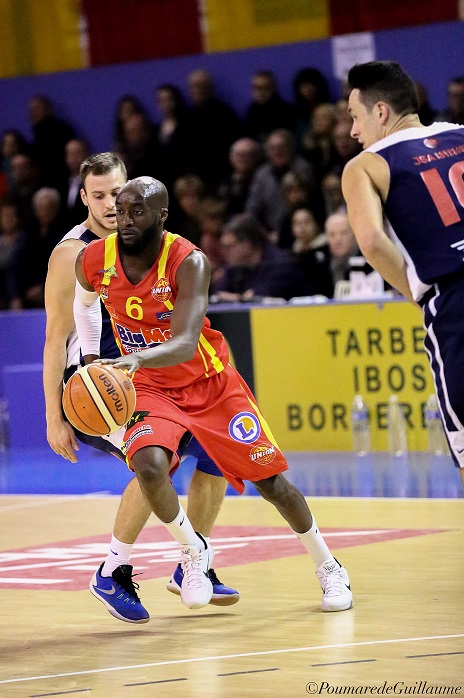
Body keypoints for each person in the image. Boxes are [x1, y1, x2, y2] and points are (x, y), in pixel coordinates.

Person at [74, 175, 354, 613]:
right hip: (149, 386)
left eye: (137, 212)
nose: (125, 219)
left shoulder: (189, 261)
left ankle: (328, 565)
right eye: (120, 210)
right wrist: (91, 355)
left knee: (272, 483)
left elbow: (185, 342)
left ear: (161, 216)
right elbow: (84, 300)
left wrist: (136, 359)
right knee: (149, 466)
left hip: (209, 382)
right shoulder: (93, 258)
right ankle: (192, 552)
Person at [43, 153, 239, 625]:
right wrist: (55, 415)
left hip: (151, 377)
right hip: (98, 386)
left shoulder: (152, 241)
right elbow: (55, 336)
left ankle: (193, 563)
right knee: (157, 459)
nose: (112, 204)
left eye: (118, 192)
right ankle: (113, 570)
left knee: (215, 451)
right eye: (100, 196)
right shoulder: (74, 252)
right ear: (84, 198)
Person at [341, 59, 464, 487]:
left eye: (355, 117)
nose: (353, 131)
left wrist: (418, 295)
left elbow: (372, 242)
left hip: (453, 298)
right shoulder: (461, 135)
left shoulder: (364, 165)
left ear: (379, 112)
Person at [212, 213, 308, 302]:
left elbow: (260, 297)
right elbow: (217, 295)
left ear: (247, 244)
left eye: (229, 247)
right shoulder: (234, 268)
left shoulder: (281, 264)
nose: (224, 252)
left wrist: (238, 298)